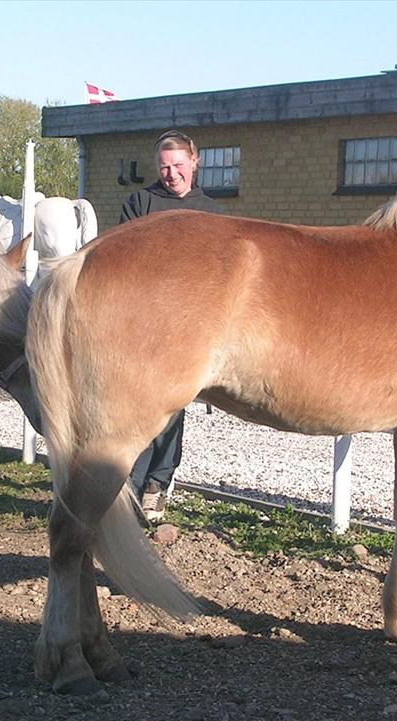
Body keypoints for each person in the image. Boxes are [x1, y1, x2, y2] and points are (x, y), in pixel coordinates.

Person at [118, 129, 222, 522]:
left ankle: (158, 485)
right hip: (142, 325)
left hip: (188, 329)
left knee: (174, 408)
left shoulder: (213, 214)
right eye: (164, 167)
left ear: (194, 162)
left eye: (178, 165)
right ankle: (130, 487)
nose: (171, 174)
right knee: (140, 411)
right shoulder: (140, 204)